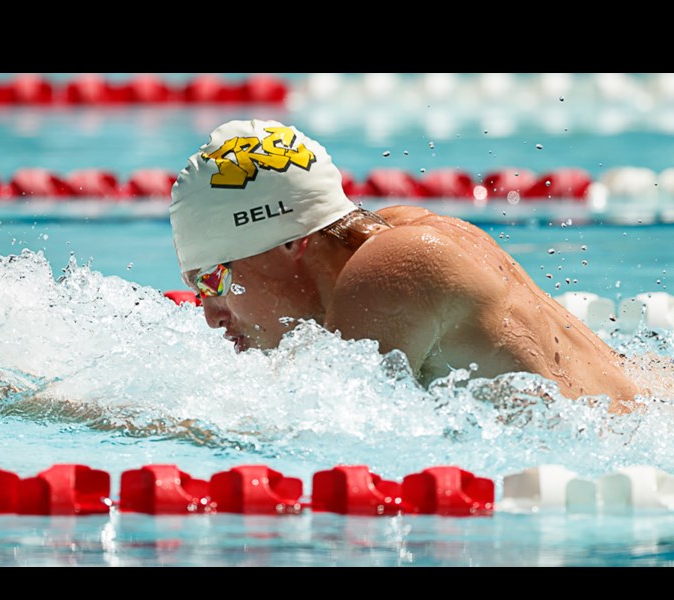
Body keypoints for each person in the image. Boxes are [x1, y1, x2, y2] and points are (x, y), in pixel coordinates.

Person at [169, 119, 641, 414]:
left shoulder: (391, 268)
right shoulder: (390, 232)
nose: (211, 314)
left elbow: (309, 429)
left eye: (212, 279)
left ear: (292, 243)